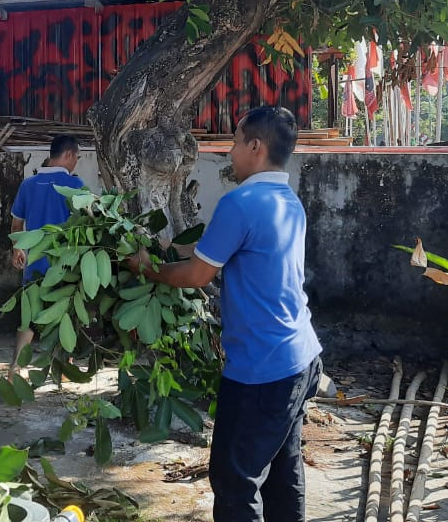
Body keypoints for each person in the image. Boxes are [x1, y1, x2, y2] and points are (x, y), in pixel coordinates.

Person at [129, 106, 322, 522]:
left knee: (235, 479)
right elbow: (215, 249)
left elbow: (197, 274)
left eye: (235, 142)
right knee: (282, 472)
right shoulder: (287, 201)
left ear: (255, 147)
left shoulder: (241, 202)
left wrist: (145, 268)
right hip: (300, 357)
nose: (230, 151)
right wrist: (165, 247)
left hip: (262, 369)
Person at [8, 134, 84, 378]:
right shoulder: (76, 186)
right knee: (67, 316)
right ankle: (65, 370)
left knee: (28, 320)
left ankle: (15, 369)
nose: (76, 163)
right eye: (77, 157)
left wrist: (18, 249)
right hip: (65, 267)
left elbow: (16, 225)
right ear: (69, 154)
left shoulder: (28, 185)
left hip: (35, 264)